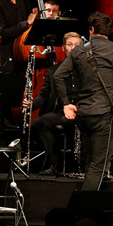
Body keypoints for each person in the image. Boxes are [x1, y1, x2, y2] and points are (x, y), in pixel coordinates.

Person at [54, 11, 113, 190]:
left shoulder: (78, 51)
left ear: (91, 30)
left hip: (83, 114)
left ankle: (92, 210)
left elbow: (58, 76)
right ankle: (84, 210)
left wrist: (66, 103)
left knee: (91, 162)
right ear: (110, 31)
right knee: (98, 165)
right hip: (103, 115)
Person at [27, 31, 82, 175]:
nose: (73, 48)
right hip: (61, 112)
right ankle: (55, 161)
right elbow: (44, 95)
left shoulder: (87, 69)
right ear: (63, 48)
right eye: (70, 45)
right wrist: (30, 104)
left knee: (68, 122)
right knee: (40, 122)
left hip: (83, 111)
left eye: (77, 45)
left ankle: (77, 163)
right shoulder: (54, 71)